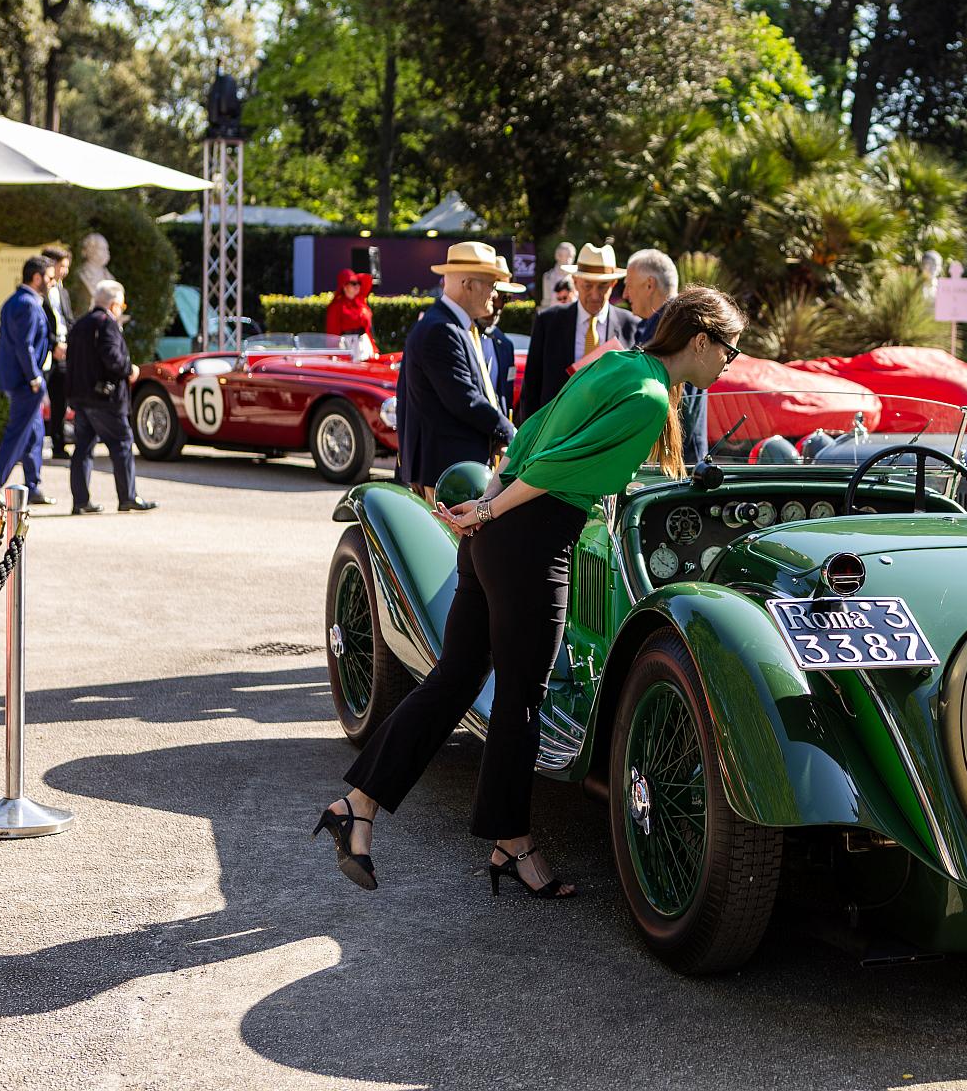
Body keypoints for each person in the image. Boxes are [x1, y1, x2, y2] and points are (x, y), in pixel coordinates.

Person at [315, 287, 749, 898]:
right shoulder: (651, 398)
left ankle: (358, 806)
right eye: (729, 349)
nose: (729, 362)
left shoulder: (618, 362)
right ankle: (512, 844)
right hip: (533, 542)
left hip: (496, 538)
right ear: (701, 340)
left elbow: (532, 434)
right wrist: (489, 511)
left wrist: (488, 503)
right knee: (522, 698)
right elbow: (560, 467)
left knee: (456, 678)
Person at [394, 241, 518, 500]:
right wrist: (510, 433)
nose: (494, 294)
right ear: (468, 285)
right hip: (447, 475)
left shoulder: (454, 326)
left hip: (456, 471)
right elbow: (465, 400)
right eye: (491, 285)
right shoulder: (442, 330)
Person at [517, 243, 639, 420]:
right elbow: (531, 387)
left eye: (603, 286)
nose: (595, 295)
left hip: (609, 429)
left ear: (613, 284)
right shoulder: (548, 322)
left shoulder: (631, 325)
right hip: (557, 430)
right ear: (575, 281)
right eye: (587, 286)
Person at [67, 281, 157, 514]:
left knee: (83, 449)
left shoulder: (80, 324)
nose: (121, 310)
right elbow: (113, 358)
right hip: (105, 399)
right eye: (122, 306)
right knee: (122, 444)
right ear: (114, 304)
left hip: (82, 398)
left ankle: (80, 501)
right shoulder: (106, 324)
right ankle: (128, 497)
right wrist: (130, 369)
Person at [0, 254, 56, 508]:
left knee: (35, 434)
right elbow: (24, 345)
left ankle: (32, 486)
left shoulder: (15, 300)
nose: (53, 282)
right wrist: (34, 377)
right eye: (50, 277)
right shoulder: (28, 304)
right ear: (36, 277)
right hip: (26, 382)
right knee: (17, 435)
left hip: (19, 379)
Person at [626, 248, 709, 462]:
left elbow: (671, 403)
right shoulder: (675, 322)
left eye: (628, 285)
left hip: (673, 463)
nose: (625, 294)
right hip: (682, 458)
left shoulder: (670, 327)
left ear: (649, 285)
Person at [42, 245, 74, 458]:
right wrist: (53, 345)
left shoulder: (63, 291)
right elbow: (40, 325)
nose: (65, 271)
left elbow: (68, 320)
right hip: (46, 351)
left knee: (60, 399)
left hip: (63, 352)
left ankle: (58, 443)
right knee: (34, 400)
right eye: (62, 266)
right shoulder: (38, 293)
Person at [477, 284, 518, 417]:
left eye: (505, 298)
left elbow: (507, 395)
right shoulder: (460, 337)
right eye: (493, 297)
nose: (499, 305)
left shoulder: (506, 345)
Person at [325, 268, 376, 347]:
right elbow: (332, 334)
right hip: (346, 345)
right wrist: (334, 351)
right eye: (353, 283)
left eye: (359, 283)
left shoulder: (361, 304)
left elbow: (367, 330)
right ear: (344, 286)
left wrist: (373, 347)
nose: (357, 286)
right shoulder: (336, 307)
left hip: (363, 343)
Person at [541, 242, 576, 307]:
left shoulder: (577, 277)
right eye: (567, 256)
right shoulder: (548, 277)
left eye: (571, 256)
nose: (569, 259)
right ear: (557, 256)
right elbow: (546, 302)